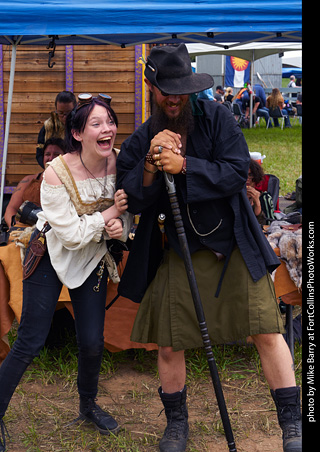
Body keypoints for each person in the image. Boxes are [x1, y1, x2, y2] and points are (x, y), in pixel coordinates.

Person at [116, 44, 301, 452]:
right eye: (167, 89)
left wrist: (186, 168)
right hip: (179, 250)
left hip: (233, 242)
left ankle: (293, 424)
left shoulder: (217, 117)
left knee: (267, 330)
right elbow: (133, 195)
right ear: (151, 86)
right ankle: (177, 426)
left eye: (182, 88)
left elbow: (238, 171)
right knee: (169, 341)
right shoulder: (144, 137)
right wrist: (150, 164)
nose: (175, 97)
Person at [0, 94, 131, 451]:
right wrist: (107, 218)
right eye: (96, 124)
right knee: (30, 340)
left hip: (91, 260)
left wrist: (121, 225)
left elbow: (131, 208)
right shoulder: (56, 173)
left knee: (91, 342)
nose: (107, 129)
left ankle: (88, 406)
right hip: (51, 255)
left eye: (110, 122)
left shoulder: (121, 163)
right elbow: (71, 235)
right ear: (77, 133)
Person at [4, 137, 66, 228]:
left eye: (57, 154)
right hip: (25, 229)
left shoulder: (72, 182)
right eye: (47, 154)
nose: (51, 158)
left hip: (56, 232)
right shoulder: (28, 180)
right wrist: (14, 227)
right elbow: (11, 208)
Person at [36, 91, 77, 167]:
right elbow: (39, 153)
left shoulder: (80, 125)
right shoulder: (48, 126)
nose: (65, 117)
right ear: (56, 110)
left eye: (68, 113)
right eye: (61, 113)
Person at [247, 159, 275, 225]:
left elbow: (269, 224)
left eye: (250, 175)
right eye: (243, 174)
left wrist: (257, 202)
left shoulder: (265, 198)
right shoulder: (234, 196)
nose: (247, 179)